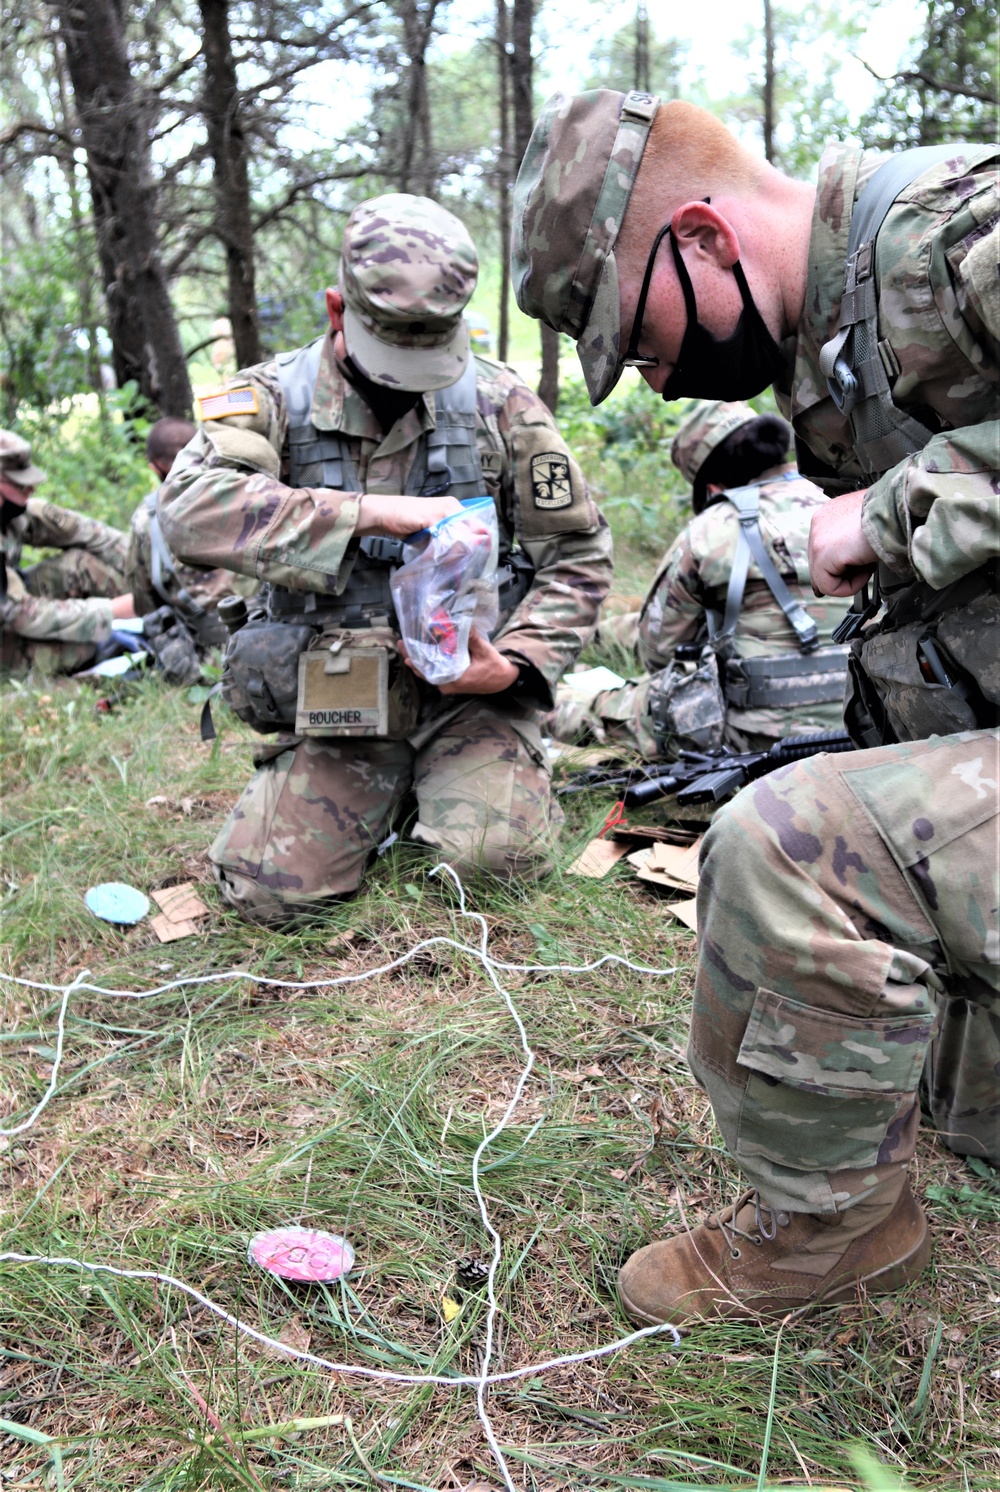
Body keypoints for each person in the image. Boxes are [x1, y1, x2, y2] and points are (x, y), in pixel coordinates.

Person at [512, 90, 998, 1323]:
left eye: (647, 339)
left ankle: (828, 1237)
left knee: (793, 847)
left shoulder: (951, 235)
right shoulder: (840, 352)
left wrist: (885, 511)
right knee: (963, 1112)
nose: (661, 383)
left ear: (706, 238)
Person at [159, 192, 613, 925]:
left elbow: (579, 553)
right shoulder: (267, 400)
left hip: (470, 702)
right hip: (340, 706)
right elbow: (185, 512)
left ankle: (468, 782)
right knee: (272, 899)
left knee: (495, 868)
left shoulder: (500, 403)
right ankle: (383, 797)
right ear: (338, 310)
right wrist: (366, 515)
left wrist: (520, 662)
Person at [545, 400, 852, 758]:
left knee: (595, 705)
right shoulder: (844, 500)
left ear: (711, 488)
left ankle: (544, 705)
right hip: (862, 720)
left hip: (756, 737)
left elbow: (658, 652)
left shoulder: (712, 528)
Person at [126, 418, 259, 682]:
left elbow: (145, 602)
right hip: (274, 638)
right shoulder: (253, 492)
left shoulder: (147, 519)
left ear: (154, 467)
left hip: (205, 662)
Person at [0, 429, 135, 676]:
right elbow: (22, 615)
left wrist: (150, 568)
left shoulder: (11, 511)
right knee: (84, 648)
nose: (30, 489)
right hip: (8, 626)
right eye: (19, 484)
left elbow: (86, 533)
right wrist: (115, 611)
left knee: (81, 564)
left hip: (11, 606)